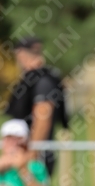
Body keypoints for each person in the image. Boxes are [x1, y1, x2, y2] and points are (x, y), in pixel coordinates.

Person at [5, 36, 69, 176]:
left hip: (35, 157)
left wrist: (31, 154)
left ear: (20, 54)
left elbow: (42, 119)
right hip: (23, 154)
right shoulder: (37, 79)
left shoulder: (43, 81)